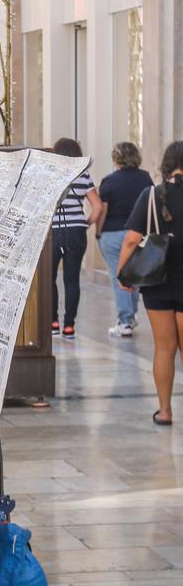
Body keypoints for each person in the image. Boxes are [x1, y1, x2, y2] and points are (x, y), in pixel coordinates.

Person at [119, 140, 183, 426]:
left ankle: (165, 411)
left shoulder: (152, 195)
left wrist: (124, 273)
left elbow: (132, 239)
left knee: (164, 347)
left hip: (157, 281)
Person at [94, 142, 152, 338]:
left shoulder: (109, 181)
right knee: (133, 275)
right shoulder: (145, 179)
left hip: (112, 234)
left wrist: (98, 233)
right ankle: (131, 315)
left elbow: (103, 211)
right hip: (137, 234)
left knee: (117, 275)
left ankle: (125, 321)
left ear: (116, 159)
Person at [50, 138, 101, 338]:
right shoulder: (84, 175)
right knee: (72, 280)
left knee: (50, 278)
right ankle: (69, 326)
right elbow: (98, 207)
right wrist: (85, 223)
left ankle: (52, 323)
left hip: (53, 231)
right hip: (76, 232)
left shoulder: (51, 174)